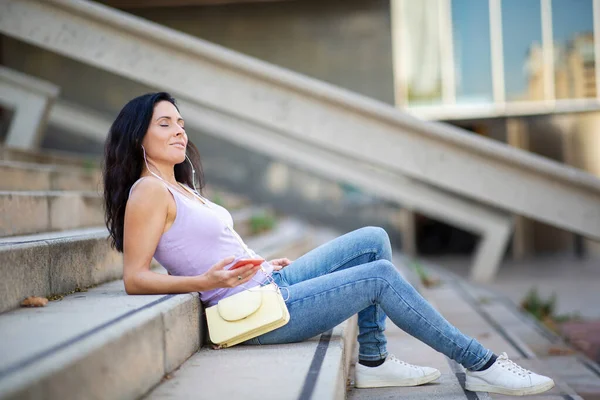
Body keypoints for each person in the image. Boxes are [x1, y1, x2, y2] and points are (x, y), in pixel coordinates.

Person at [103, 92, 555, 396]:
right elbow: (135, 278)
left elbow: (210, 242)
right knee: (377, 275)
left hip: (267, 284)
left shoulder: (180, 186)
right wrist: (205, 280)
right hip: (255, 316)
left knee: (372, 239)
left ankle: (374, 361)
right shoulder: (147, 192)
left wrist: (260, 263)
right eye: (165, 124)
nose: (180, 131)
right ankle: (481, 363)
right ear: (138, 135)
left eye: (181, 123)